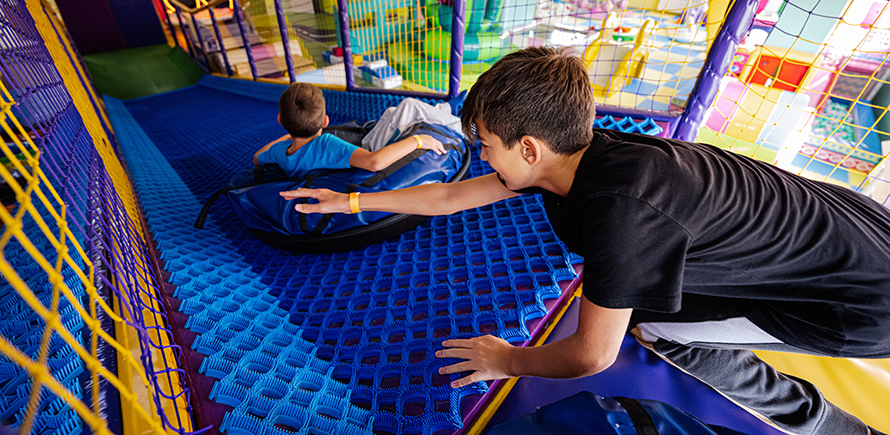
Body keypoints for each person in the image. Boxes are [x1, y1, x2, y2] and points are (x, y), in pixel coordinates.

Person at [281, 47, 890, 435]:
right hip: (862, 229)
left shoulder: (621, 211)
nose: (481, 155)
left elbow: (590, 355)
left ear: (529, 148)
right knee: (641, 303)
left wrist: (506, 359)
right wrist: (353, 200)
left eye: (486, 144)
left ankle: (829, 429)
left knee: (654, 329)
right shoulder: (577, 155)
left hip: (856, 302)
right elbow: (449, 197)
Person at [254, 83, 446, 176]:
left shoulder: (281, 153)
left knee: (391, 112)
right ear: (325, 121)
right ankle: (455, 120)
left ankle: (442, 110)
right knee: (409, 105)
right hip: (370, 154)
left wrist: (289, 136)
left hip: (357, 151)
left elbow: (257, 157)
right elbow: (374, 162)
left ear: (280, 120)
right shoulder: (325, 145)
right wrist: (420, 140)